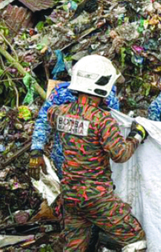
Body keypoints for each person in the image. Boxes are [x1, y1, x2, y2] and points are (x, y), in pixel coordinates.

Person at [46, 54, 148, 252]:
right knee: (135, 240)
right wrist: (136, 136)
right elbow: (120, 155)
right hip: (96, 197)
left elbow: (53, 114)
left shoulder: (60, 112)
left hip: (71, 196)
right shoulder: (103, 120)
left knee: (74, 247)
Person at [29, 82, 119, 180]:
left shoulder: (108, 98)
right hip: (63, 164)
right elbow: (44, 121)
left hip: (93, 171)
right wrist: (36, 151)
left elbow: (112, 135)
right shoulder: (62, 93)